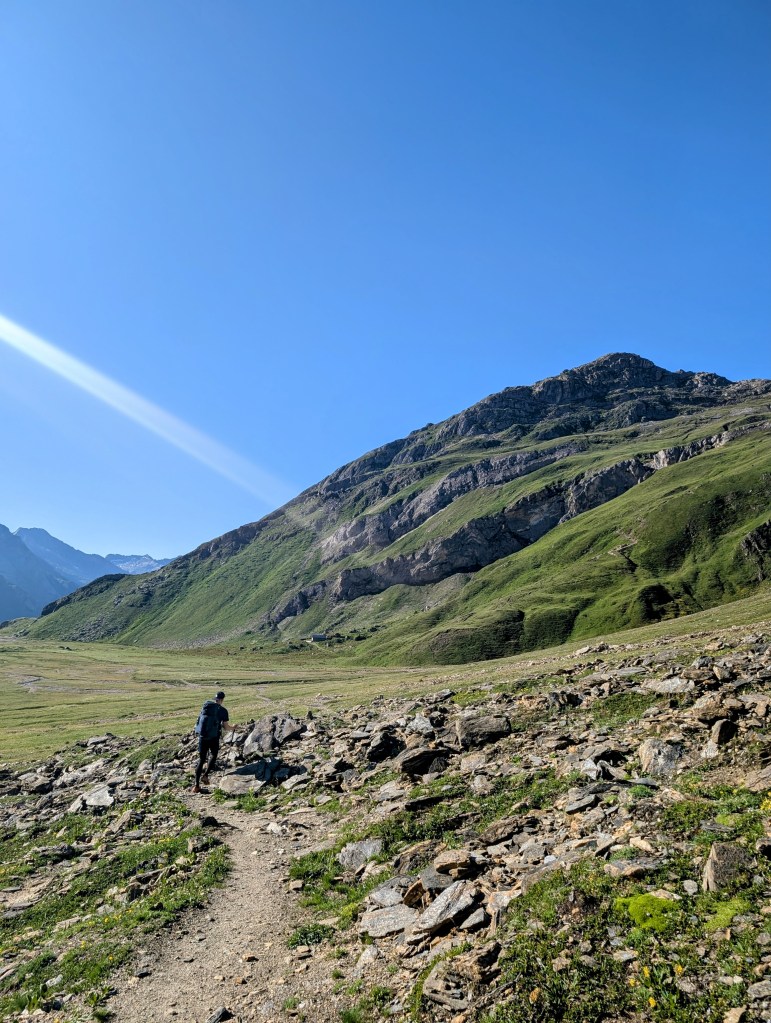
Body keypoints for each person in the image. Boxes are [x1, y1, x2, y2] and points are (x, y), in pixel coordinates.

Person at [193, 690, 234, 792]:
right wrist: (234, 727)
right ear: (222, 699)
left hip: (202, 737)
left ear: (215, 698)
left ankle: (196, 786)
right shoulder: (223, 711)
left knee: (201, 760)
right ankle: (206, 775)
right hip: (214, 737)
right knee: (214, 755)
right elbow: (226, 727)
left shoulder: (206, 707)